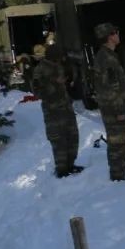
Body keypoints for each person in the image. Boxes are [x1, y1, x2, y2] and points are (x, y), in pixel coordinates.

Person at [30, 44, 82, 178]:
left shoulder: (59, 66)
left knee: (72, 137)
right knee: (59, 141)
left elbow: (67, 80)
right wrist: (54, 83)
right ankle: (62, 170)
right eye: (60, 57)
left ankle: (70, 165)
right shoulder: (40, 70)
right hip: (53, 112)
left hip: (66, 109)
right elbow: (37, 92)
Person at [92, 22, 125, 181]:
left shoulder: (109, 55)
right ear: (109, 36)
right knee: (118, 143)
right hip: (113, 109)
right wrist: (119, 111)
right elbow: (110, 89)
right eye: (115, 33)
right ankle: (117, 177)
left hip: (112, 107)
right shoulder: (107, 58)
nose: (118, 35)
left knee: (119, 142)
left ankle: (119, 174)